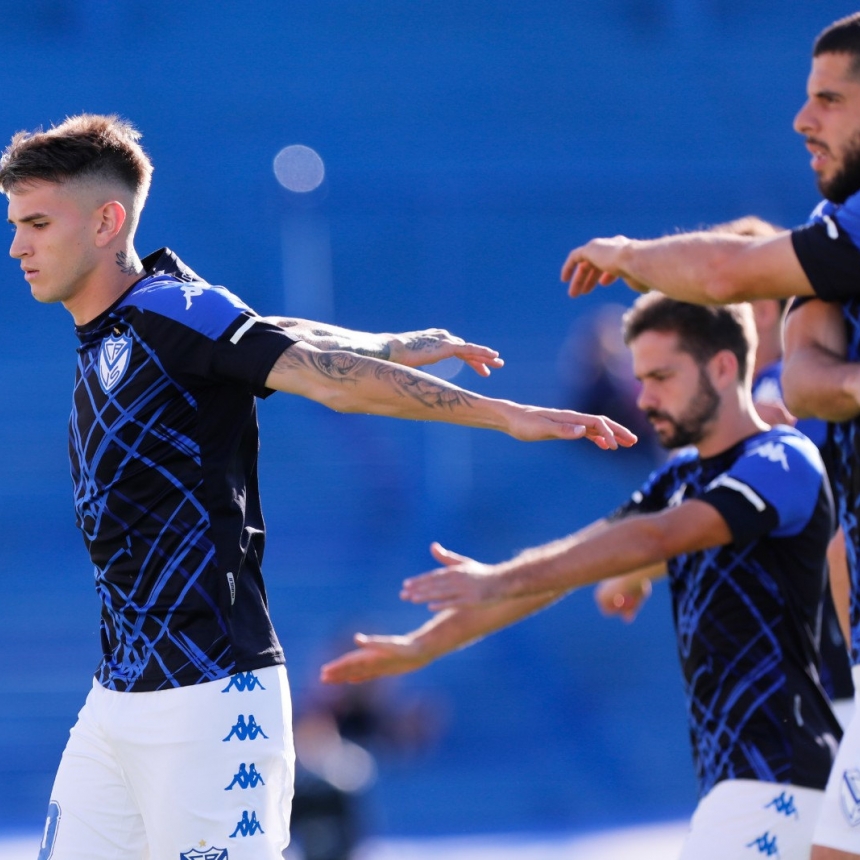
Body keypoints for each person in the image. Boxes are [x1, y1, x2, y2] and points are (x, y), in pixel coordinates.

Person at [1, 114, 637, 860]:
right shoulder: (135, 324)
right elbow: (275, 332)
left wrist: (503, 415)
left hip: (208, 698)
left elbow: (325, 381)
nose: (18, 247)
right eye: (15, 225)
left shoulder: (170, 309)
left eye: (38, 223)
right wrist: (389, 343)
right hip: (116, 701)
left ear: (108, 221)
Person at [323, 294, 842, 860]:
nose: (645, 399)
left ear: (722, 367)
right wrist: (423, 646)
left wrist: (501, 578)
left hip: (780, 771)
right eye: (640, 379)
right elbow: (567, 567)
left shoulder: (780, 459)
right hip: (742, 776)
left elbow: (655, 539)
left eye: (662, 377)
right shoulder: (680, 479)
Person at [559, 13, 860, 858]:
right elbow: (807, 379)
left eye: (829, 100)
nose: (802, 120)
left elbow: (729, 275)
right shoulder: (823, 276)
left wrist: (627, 253)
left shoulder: (764, 417)